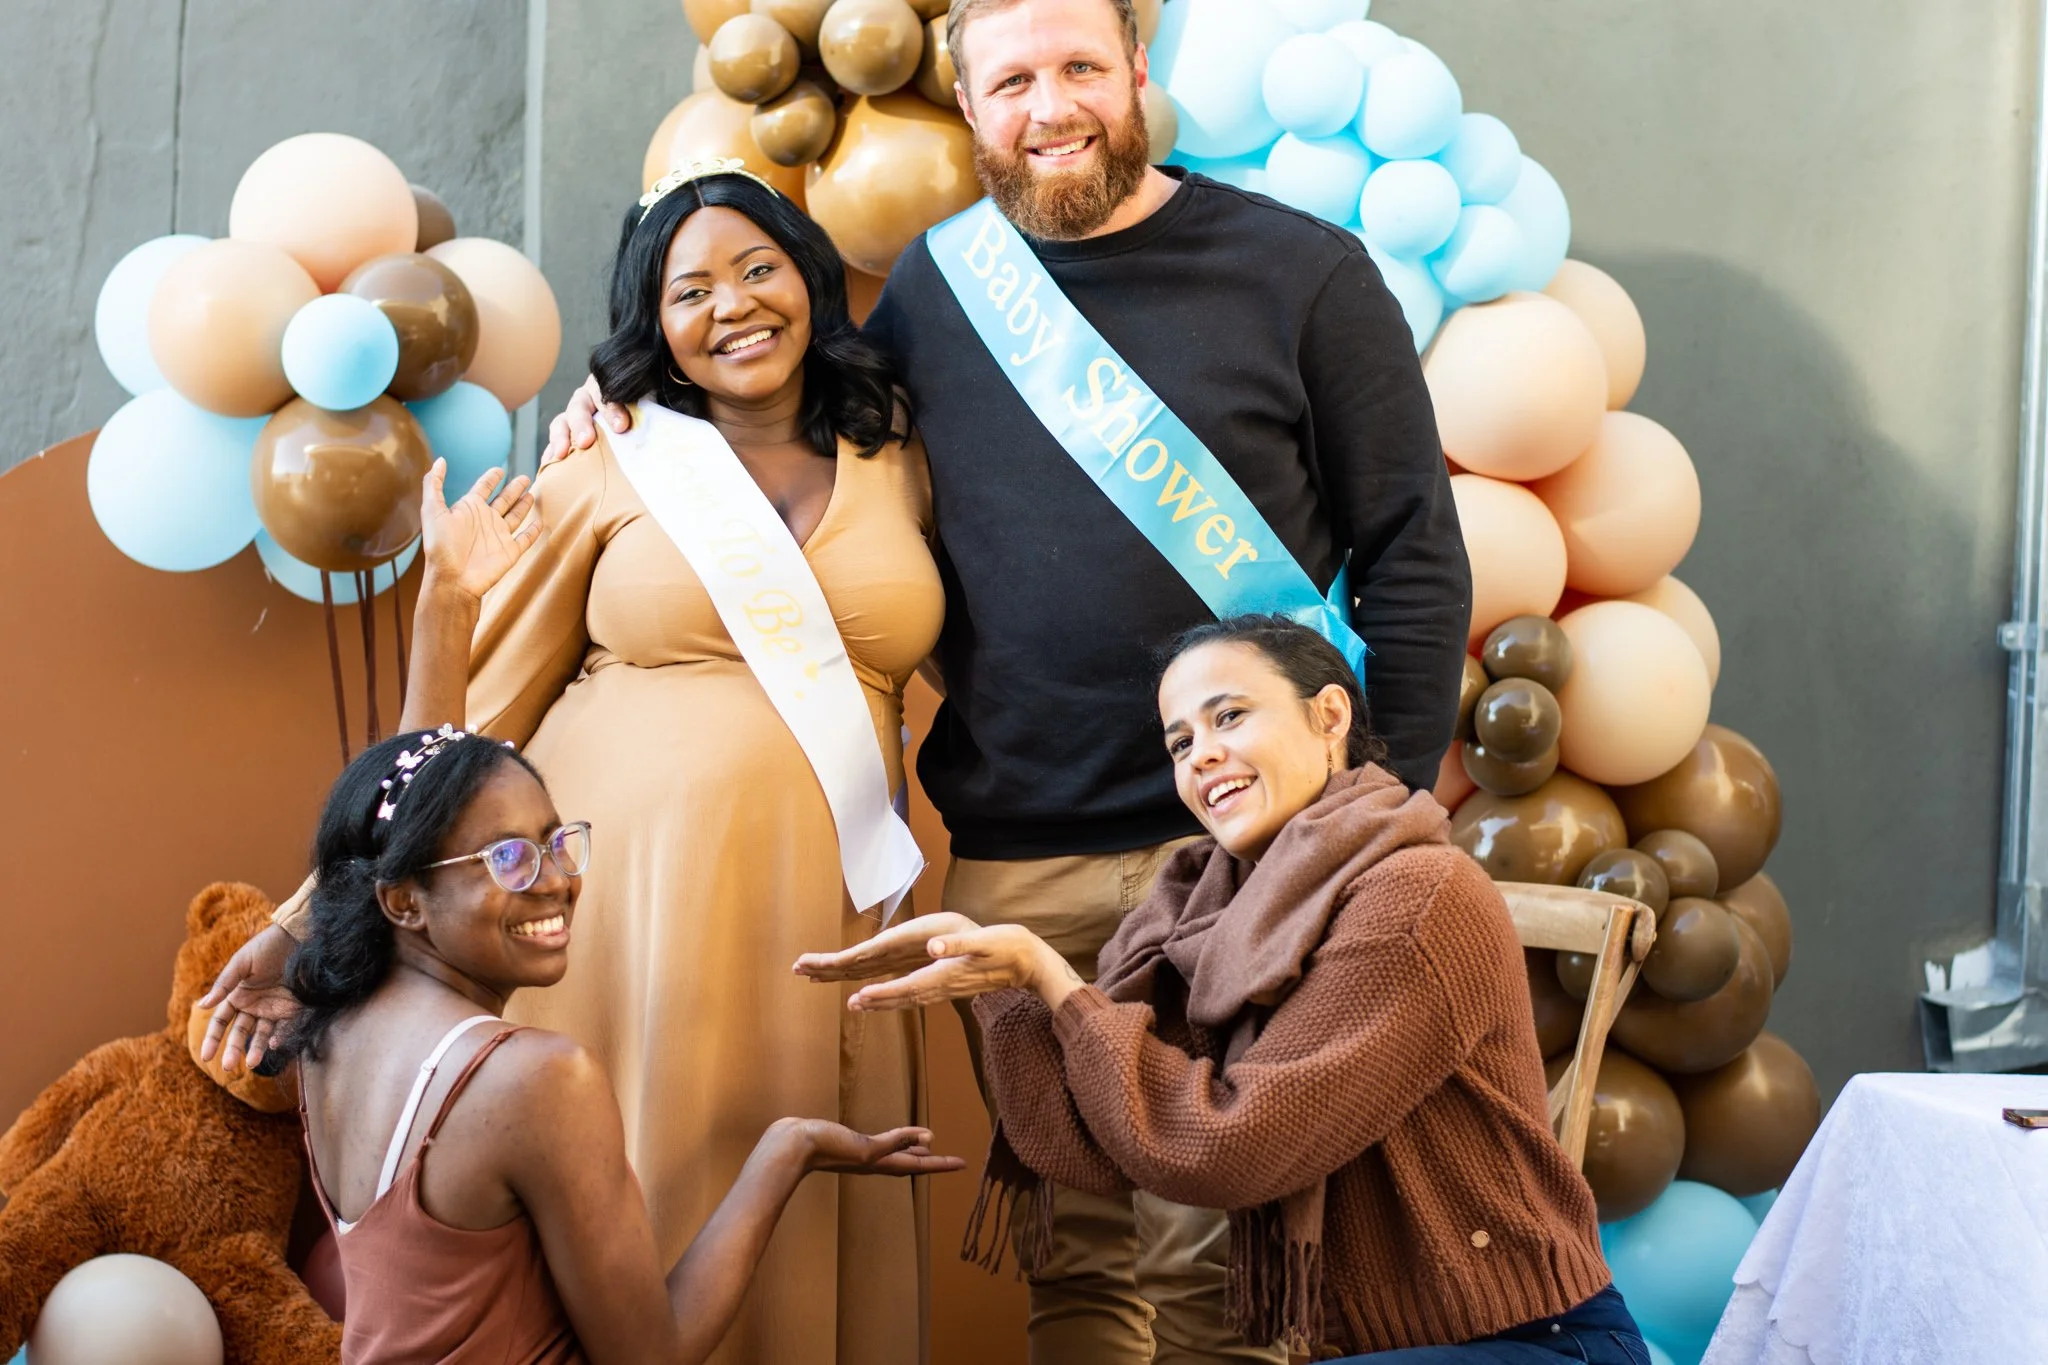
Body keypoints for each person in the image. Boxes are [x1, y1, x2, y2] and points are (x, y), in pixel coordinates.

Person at [549, 1, 1469, 1359]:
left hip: (1245, 854)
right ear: (971, 108)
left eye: (1082, 68)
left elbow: (1411, 549)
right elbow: (797, 416)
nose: (1052, 109)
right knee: (1077, 1272)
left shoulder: (1302, 272)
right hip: (1014, 862)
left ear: (1138, 73)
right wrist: (620, 397)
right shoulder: (941, 284)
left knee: (1226, 1275)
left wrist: (1372, 809)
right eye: (1015, 80)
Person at [203, 161, 948, 1365]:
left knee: (807, 1188)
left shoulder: (901, 455)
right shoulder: (612, 459)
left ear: (810, 278)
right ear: (652, 322)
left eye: (758, 268)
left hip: (821, 902)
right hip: (619, 912)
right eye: (689, 290)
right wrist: (300, 922)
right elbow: (455, 735)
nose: (733, 305)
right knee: (635, 1201)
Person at [793, 617, 1641, 1362]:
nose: (1201, 754)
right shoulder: (1205, 904)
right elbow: (1096, 1144)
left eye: (1229, 715)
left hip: (1534, 1341)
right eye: (1179, 742)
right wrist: (1007, 981)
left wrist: (1052, 977)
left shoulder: (1414, 895)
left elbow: (1230, 1145)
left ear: (1330, 716)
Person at [272, 724, 962, 1364]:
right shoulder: (536, 1078)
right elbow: (651, 1355)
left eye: (556, 843)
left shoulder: (328, 1037)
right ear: (403, 900)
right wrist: (788, 1150)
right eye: (507, 858)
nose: (556, 880)